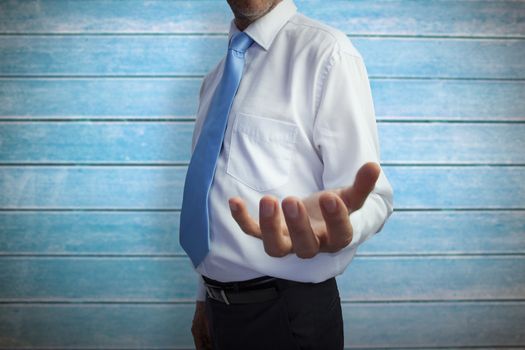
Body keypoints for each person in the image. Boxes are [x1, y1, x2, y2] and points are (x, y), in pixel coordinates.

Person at [180, 0, 394, 349]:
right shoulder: (215, 79)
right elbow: (210, 196)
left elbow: (371, 197)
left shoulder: (328, 54)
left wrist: (338, 229)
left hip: (290, 315)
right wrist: (205, 296)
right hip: (220, 314)